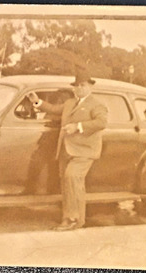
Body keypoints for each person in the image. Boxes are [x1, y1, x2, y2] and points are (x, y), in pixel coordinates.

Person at [27, 71, 108, 231]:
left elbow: (101, 122)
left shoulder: (97, 104)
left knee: (72, 178)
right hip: (66, 150)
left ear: (90, 87)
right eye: (76, 86)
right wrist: (37, 102)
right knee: (68, 184)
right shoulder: (70, 103)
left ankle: (72, 219)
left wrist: (78, 126)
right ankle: (75, 219)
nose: (79, 88)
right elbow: (53, 108)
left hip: (84, 151)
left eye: (82, 85)